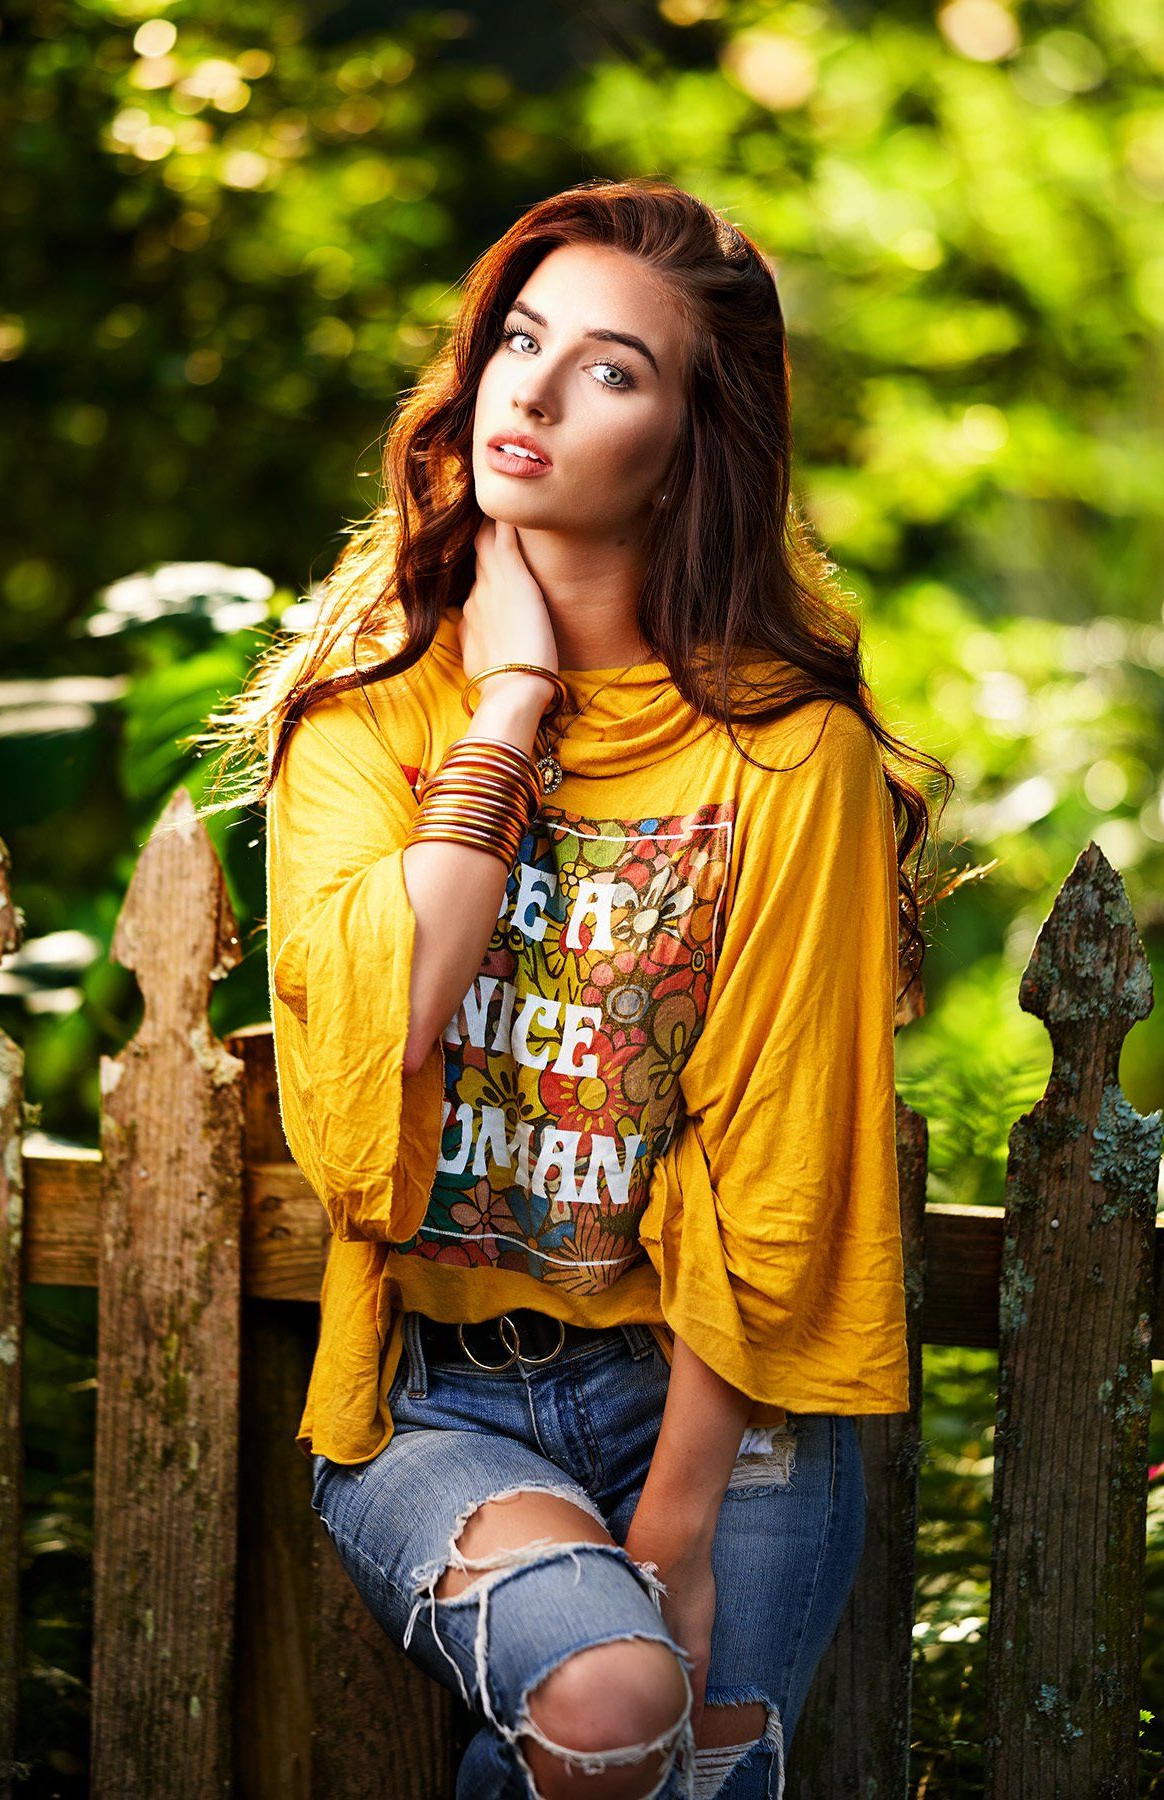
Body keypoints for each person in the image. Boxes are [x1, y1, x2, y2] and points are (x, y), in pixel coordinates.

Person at [199, 176, 948, 1800]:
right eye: (519, 341)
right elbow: (383, 1031)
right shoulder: (367, 724)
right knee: (611, 1703)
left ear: (694, 439)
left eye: (611, 369)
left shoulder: (786, 755)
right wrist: (514, 696)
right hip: (437, 1404)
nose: (528, 393)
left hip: (719, 1404)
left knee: (680, 1781)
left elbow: (779, 1153)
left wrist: (678, 1512)